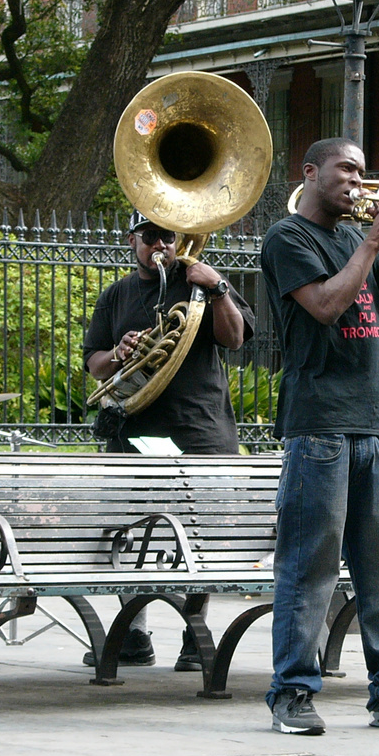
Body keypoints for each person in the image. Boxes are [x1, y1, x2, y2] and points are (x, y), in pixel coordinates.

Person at [260, 137, 379, 735]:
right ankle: (292, 694)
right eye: (346, 169)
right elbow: (323, 304)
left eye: (362, 171)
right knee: (310, 565)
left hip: (373, 424)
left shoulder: (354, 238)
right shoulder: (288, 238)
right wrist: (372, 242)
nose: (357, 180)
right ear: (311, 173)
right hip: (317, 422)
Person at [83, 211, 255, 669]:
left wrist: (216, 288)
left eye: (167, 236)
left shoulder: (201, 280)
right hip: (135, 428)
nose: (159, 245)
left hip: (200, 427)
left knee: (202, 535)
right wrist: (119, 352)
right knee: (127, 528)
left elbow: (235, 339)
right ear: (133, 239)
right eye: (149, 236)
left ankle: (194, 636)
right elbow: (93, 363)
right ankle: (134, 634)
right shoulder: (116, 294)